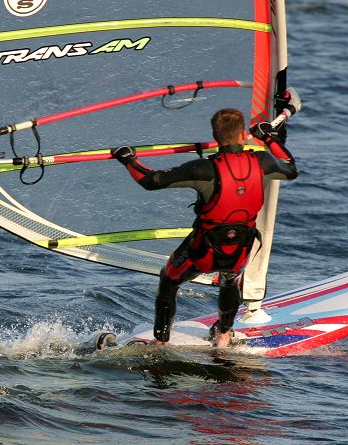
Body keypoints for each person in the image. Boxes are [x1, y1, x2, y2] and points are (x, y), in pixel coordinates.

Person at [112, 99, 299, 347]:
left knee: (169, 280)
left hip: (202, 252)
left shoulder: (203, 168)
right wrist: (269, 138)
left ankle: (161, 343)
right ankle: (223, 336)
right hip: (240, 251)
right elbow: (291, 168)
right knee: (230, 281)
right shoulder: (263, 162)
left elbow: (151, 181)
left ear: (215, 136)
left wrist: (128, 159)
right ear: (244, 134)